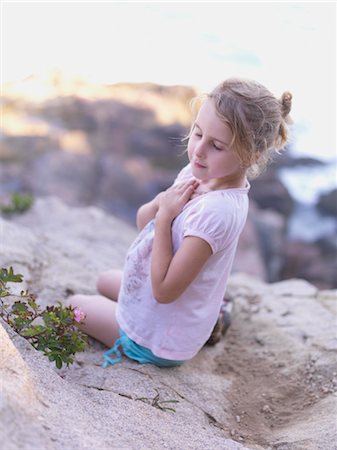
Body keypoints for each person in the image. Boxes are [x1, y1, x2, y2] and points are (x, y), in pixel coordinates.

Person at [68, 77, 292, 368]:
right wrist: (164, 203)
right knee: (104, 280)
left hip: (159, 339)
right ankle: (212, 318)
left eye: (216, 145)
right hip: (173, 309)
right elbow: (143, 222)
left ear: (251, 155)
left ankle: (197, 328)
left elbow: (164, 291)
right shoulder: (198, 173)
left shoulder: (218, 212)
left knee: (73, 305)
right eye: (198, 134)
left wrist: (165, 219)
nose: (199, 150)